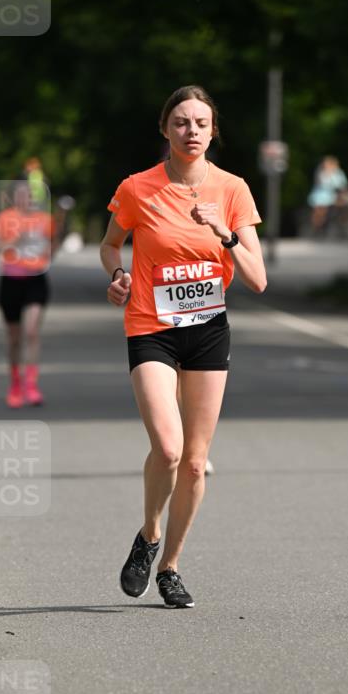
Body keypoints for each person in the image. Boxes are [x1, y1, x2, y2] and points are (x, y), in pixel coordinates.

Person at [101, 84, 266, 608]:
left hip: (208, 330)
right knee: (168, 448)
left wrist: (226, 234)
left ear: (213, 131)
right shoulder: (137, 188)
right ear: (165, 129)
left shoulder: (233, 190)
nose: (190, 131)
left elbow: (258, 280)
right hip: (151, 325)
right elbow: (110, 245)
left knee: (195, 463)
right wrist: (119, 274)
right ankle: (148, 535)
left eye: (200, 123)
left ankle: (169, 565)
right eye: (180, 122)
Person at [0, 179, 57, 407]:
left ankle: (31, 385)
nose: (25, 199)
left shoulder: (44, 220)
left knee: (31, 332)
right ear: (13, 198)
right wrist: (16, 240)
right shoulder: (5, 219)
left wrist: (48, 247)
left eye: (28, 195)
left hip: (36, 280)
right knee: (14, 337)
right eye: (20, 195)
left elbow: (51, 248)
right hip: (11, 280)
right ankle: (15, 384)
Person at [308, 155, 348, 232]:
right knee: (320, 209)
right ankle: (317, 227)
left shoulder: (339, 173)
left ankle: (340, 225)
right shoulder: (321, 172)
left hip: (335, 196)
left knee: (343, 205)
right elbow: (322, 184)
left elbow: (343, 185)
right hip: (320, 195)